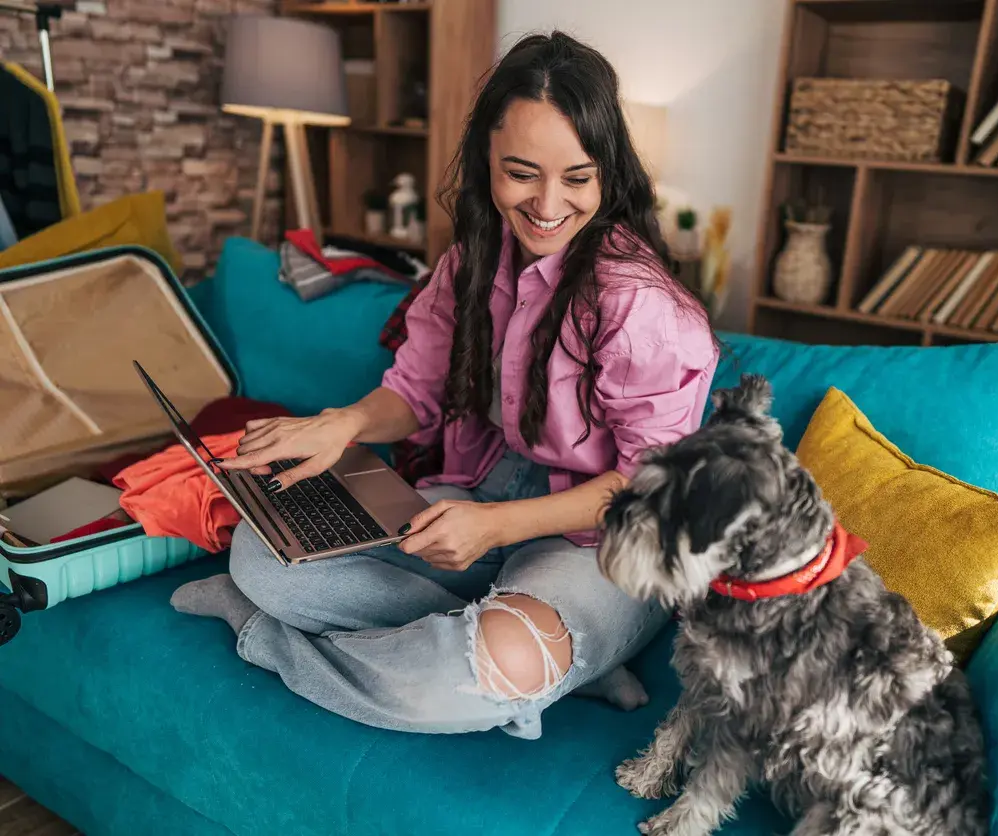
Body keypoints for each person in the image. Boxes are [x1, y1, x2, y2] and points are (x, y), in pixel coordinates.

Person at [170, 31, 719, 741]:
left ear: (607, 174)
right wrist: (343, 422)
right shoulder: (470, 263)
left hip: (608, 539)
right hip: (487, 490)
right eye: (521, 173)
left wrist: (494, 528)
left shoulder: (641, 304)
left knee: (469, 674)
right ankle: (554, 665)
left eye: (577, 178)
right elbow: (416, 393)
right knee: (263, 553)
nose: (548, 204)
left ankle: (265, 637)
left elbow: (650, 487)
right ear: (485, 161)